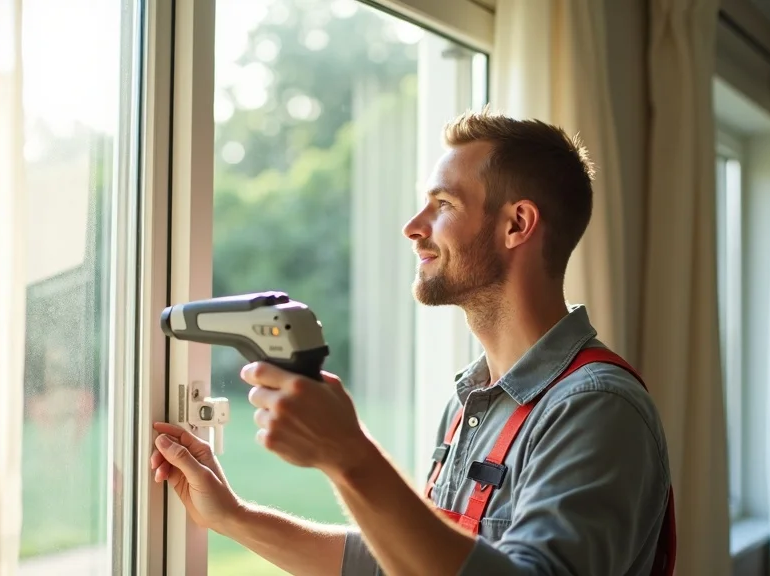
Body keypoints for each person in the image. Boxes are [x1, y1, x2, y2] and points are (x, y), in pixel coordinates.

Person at [150, 110, 675, 576]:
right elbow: (409, 563)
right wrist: (235, 518)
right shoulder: (472, 399)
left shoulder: (595, 407)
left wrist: (349, 455)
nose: (412, 227)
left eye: (442, 203)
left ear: (517, 224)